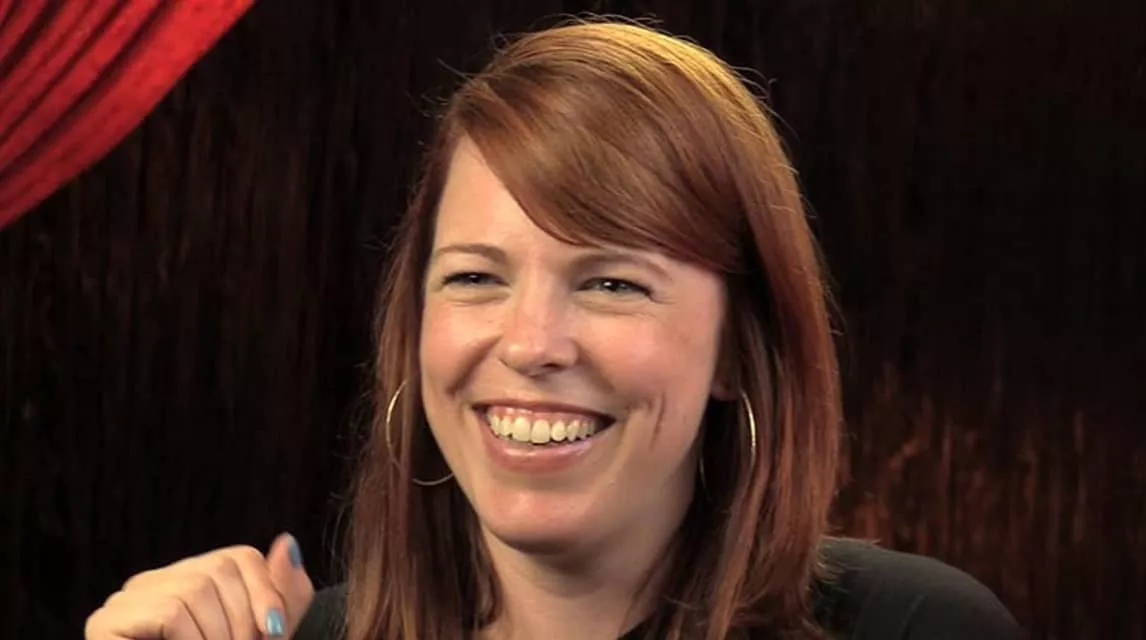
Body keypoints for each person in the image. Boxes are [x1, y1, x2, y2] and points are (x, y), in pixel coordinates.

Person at [84, 19, 1023, 640]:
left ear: (740, 349)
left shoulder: (917, 628)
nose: (532, 343)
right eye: (475, 278)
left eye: (612, 283)